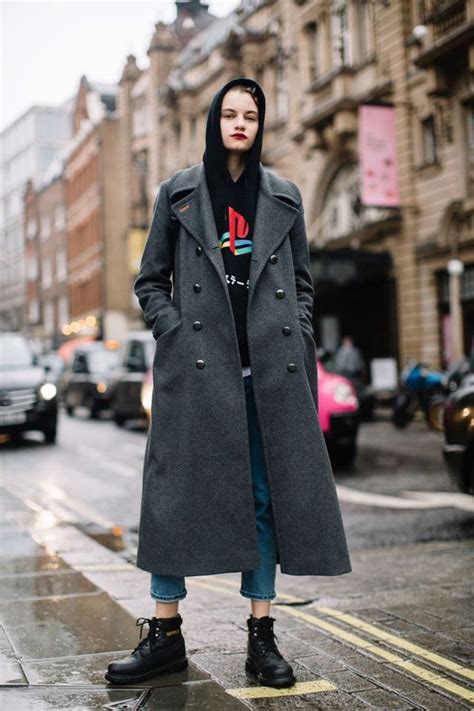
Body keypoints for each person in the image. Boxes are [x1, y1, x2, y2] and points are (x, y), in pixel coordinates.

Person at [105, 77, 352, 689]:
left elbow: (301, 285)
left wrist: (295, 331)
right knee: (173, 498)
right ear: (214, 120)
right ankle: (164, 635)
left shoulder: (285, 196)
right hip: (195, 372)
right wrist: (175, 332)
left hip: (267, 373)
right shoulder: (180, 193)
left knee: (264, 500)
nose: (241, 123)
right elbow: (150, 281)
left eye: (251, 114)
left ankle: (261, 638)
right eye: (231, 114)